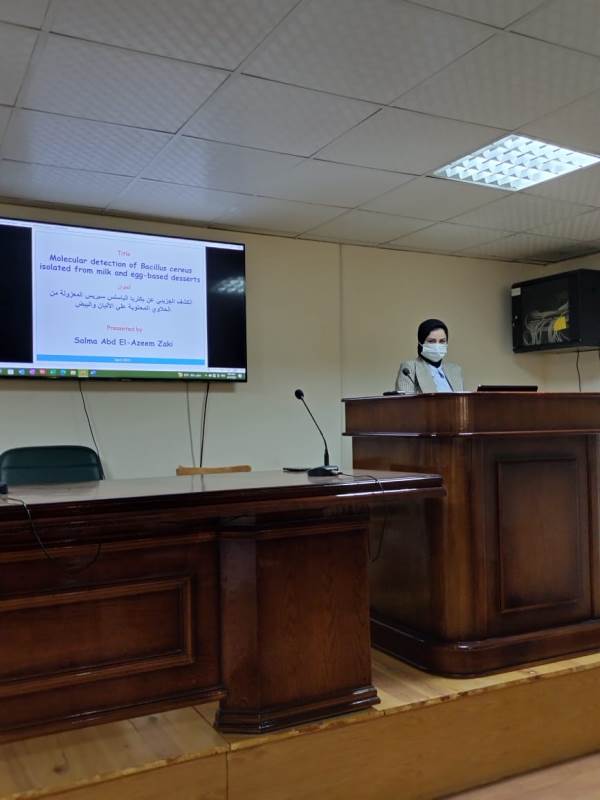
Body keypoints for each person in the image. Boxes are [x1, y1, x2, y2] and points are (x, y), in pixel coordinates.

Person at [395, 318, 464, 394]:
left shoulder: (455, 370)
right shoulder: (409, 368)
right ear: (421, 343)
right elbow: (405, 401)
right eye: (431, 341)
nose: (437, 346)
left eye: (442, 341)